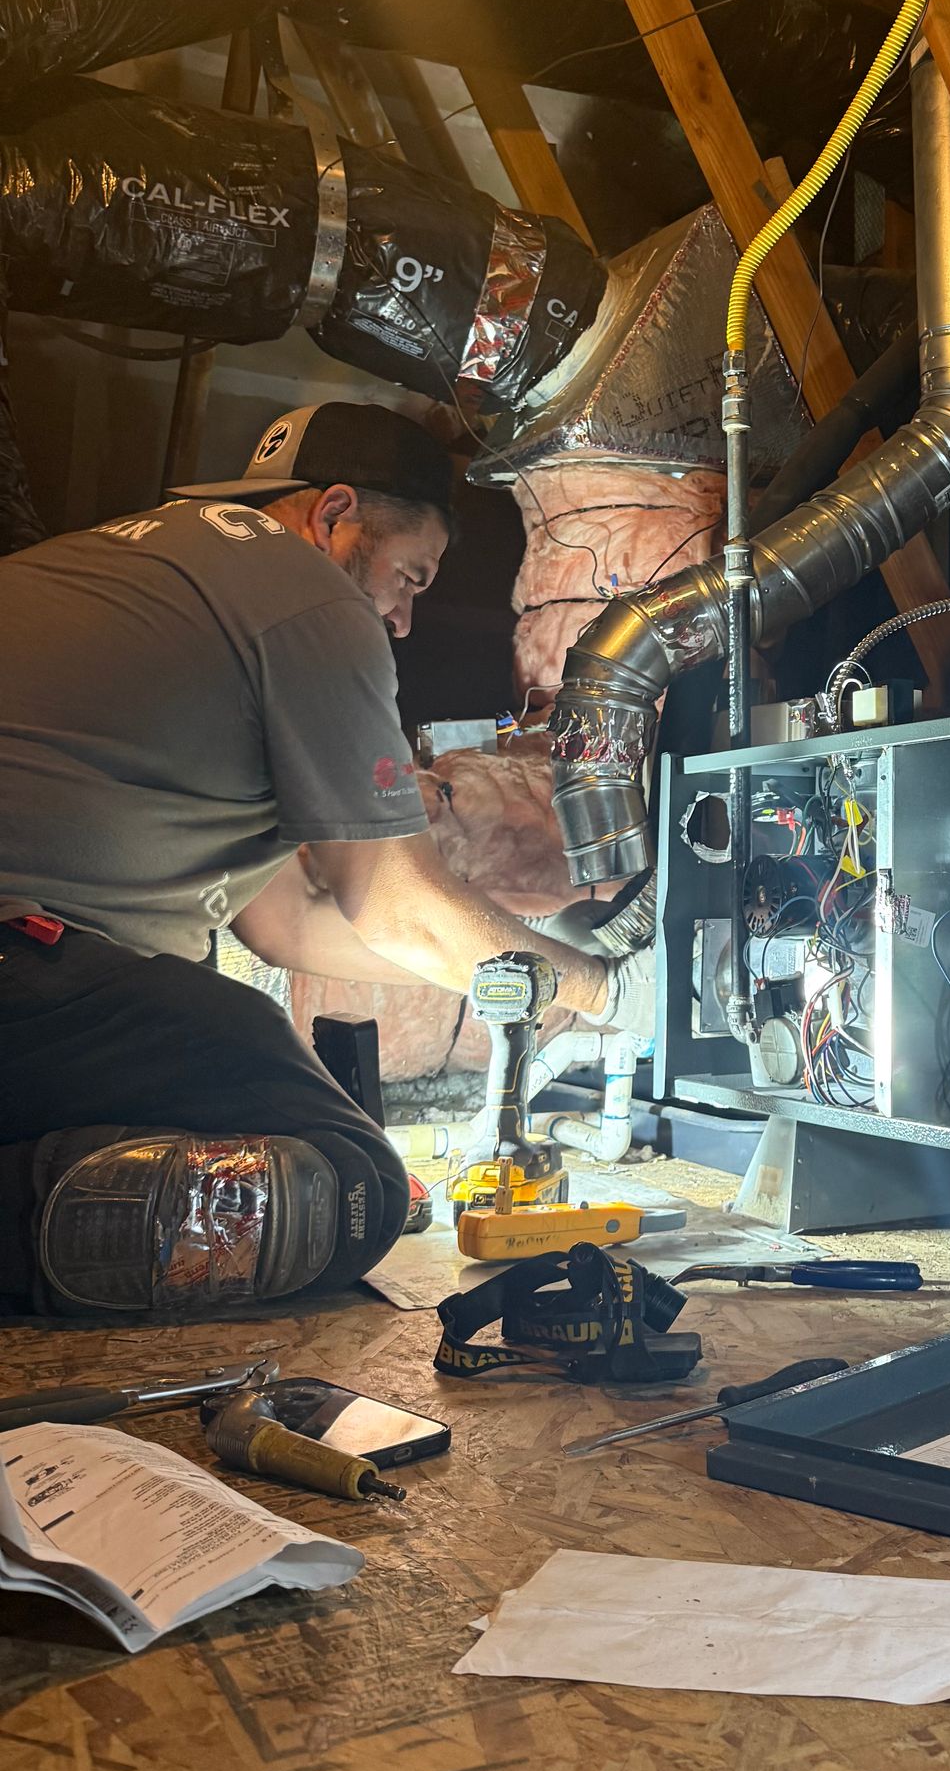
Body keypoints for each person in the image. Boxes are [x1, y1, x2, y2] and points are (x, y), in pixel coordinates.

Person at [0, 400, 650, 1317]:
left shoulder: (174, 583)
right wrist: (609, 991)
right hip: (26, 971)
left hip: (37, 995)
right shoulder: (307, 596)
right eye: (410, 577)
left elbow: (293, 927)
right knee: (352, 1191)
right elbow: (393, 902)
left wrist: (523, 970)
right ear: (334, 515)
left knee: (192, 1142)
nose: (402, 619)